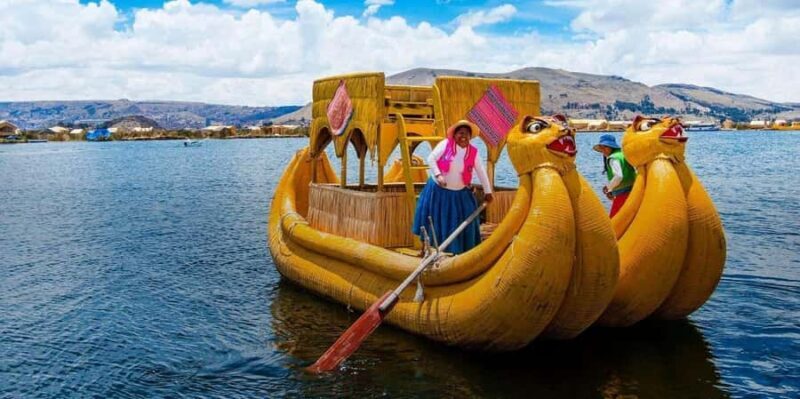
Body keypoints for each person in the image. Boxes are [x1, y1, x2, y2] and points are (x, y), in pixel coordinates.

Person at [412, 120, 494, 255]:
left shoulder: (473, 152)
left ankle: (460, 253)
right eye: (460, 133)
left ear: (470, 137)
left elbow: (481, 172)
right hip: (438, 192)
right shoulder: (445, 144)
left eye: (467, 134)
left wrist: (488, 192)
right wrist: (438, 175)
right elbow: (431, 158)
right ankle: (426, 249)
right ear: (454, 135)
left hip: (459, 194)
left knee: (463, 220)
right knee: (432, 220)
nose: (463, 136)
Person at [593, 134, 636, 218]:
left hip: (623, 194)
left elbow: (619, 176)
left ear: (611, 147)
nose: (603, 150)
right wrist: (611, 190)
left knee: (614, 220)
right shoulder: (623, 154)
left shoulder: (613, 158)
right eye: (601, 147)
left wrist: (608, 188)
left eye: (606, 147)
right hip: (633, 190)